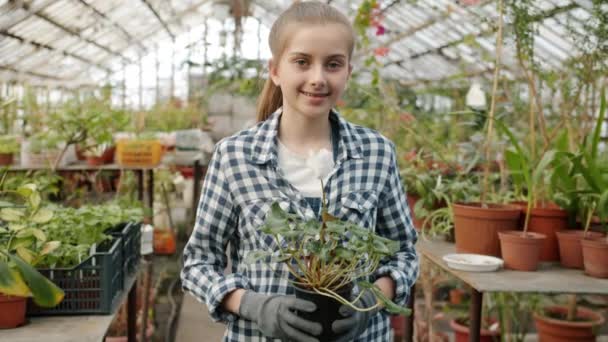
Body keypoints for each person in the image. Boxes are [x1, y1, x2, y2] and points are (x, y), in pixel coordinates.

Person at [181, 2, 419, 341]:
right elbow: (197, 264)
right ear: (275, 70)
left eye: (333, 64)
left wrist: (372, 299)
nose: (318, 78)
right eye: (302, 62)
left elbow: (404, 253)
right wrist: (252, 305)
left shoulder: (376, 153)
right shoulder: (235, 156)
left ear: (348, 71)